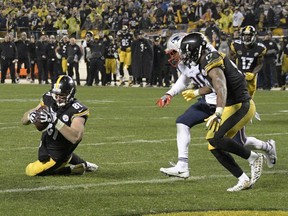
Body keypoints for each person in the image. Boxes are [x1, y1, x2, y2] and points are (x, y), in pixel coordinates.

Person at [179, 32, 264, 192]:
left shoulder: (209, 60)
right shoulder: (207, 60)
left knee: (216, 138)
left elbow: (220, 86)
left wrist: (217, 113)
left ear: (196, 50)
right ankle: (243, 179)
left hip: (241, 105)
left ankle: (254, 157)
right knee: (213, 144)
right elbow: (214, 85)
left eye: (187, 53)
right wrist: (196, 93)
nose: (185, 57)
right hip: (233, 104)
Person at [157, 32, 218, 179]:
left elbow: (218, 85)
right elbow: (185, 77)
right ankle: (182, 166)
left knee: (233, 142)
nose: (172, 56)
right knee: (182, 122)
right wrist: (169, 93)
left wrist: (196, 92)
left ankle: (265, 148)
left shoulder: (209, 57)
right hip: (208, 101)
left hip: (225, 102)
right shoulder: (188, 60)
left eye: (173, 52)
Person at [22, 75, 98, 176]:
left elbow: (75, 137)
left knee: (30, 171)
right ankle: (84, 164)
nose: (57, 98)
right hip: (46, 143)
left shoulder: (77, 109)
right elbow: (23, 121)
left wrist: (55, 120)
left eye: (61, 95)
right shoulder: (48, 98)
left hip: (58, 155)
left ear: (70, 94)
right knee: (45, 158)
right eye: (55, 95)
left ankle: (71, 169)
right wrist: (30, 115)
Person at [229, 25, 277, 168]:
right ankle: (265, 148)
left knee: (239, 140)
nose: (246, 38)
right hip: (235, 82)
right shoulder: (235, 45)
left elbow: (260, 64)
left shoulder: (260, 48)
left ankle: (266, 148)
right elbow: (230, 60)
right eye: (245, 35)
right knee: (230, 136)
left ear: (254, 36)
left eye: (249, 36)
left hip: (247, 88)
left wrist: (254, 73)